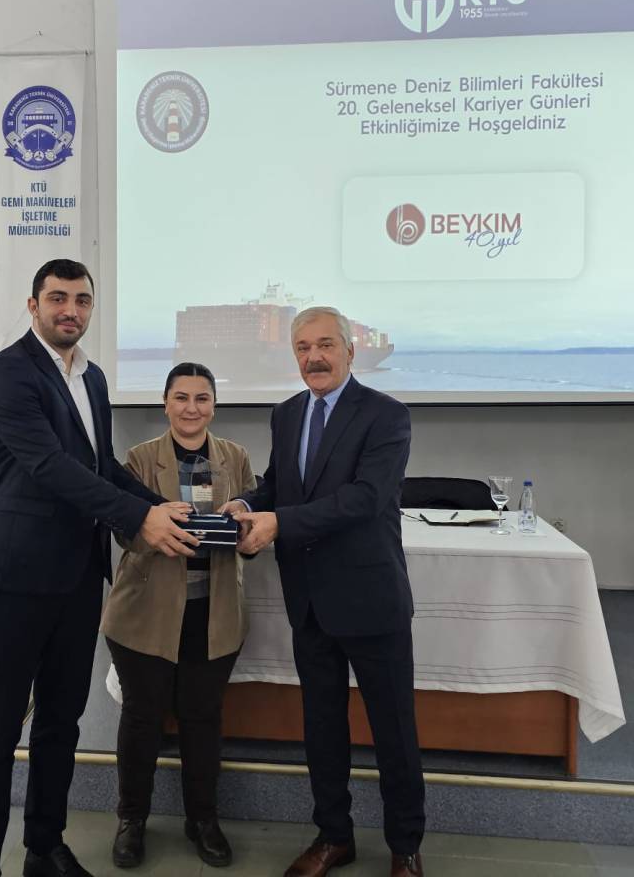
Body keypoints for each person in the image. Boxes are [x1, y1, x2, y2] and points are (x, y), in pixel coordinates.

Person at [0, 259, 199, 877]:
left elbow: (99, 466)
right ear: (34, 304)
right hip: (18, 576)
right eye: (58, 298)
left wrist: (159, 506)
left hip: (77, 575)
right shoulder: (9, 374)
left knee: (61, 723)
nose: (71, 310)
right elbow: (50, 467)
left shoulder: (90, 377)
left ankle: (44, 847)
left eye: (82, 300)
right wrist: (139, 519)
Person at [224, 306, 425, 877]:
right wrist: (248, 503)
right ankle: (334, 837)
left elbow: (365, 498)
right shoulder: (286, 414)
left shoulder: (386, 415)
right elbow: (281, 485)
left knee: (394, 731)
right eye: (303, 347)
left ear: (350, 351)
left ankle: (406, 847)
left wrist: (280, 523)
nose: (314, 357)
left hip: (370, 599)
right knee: (322, 728)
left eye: (326, 345)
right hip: (309, 601)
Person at [100, 362, 256, 869]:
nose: (192, 408)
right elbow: (124, 531)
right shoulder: (139, 459)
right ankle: (131, 820)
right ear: (165, 404)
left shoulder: (236, 458)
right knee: (142, 718)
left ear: (214, 406)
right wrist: (157, 530)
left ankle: (203, 820)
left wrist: (245, 532)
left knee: (202, 719)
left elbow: (252, 535)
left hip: (215, 615)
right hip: (145, 616)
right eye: (182, 398)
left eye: (202, 398)